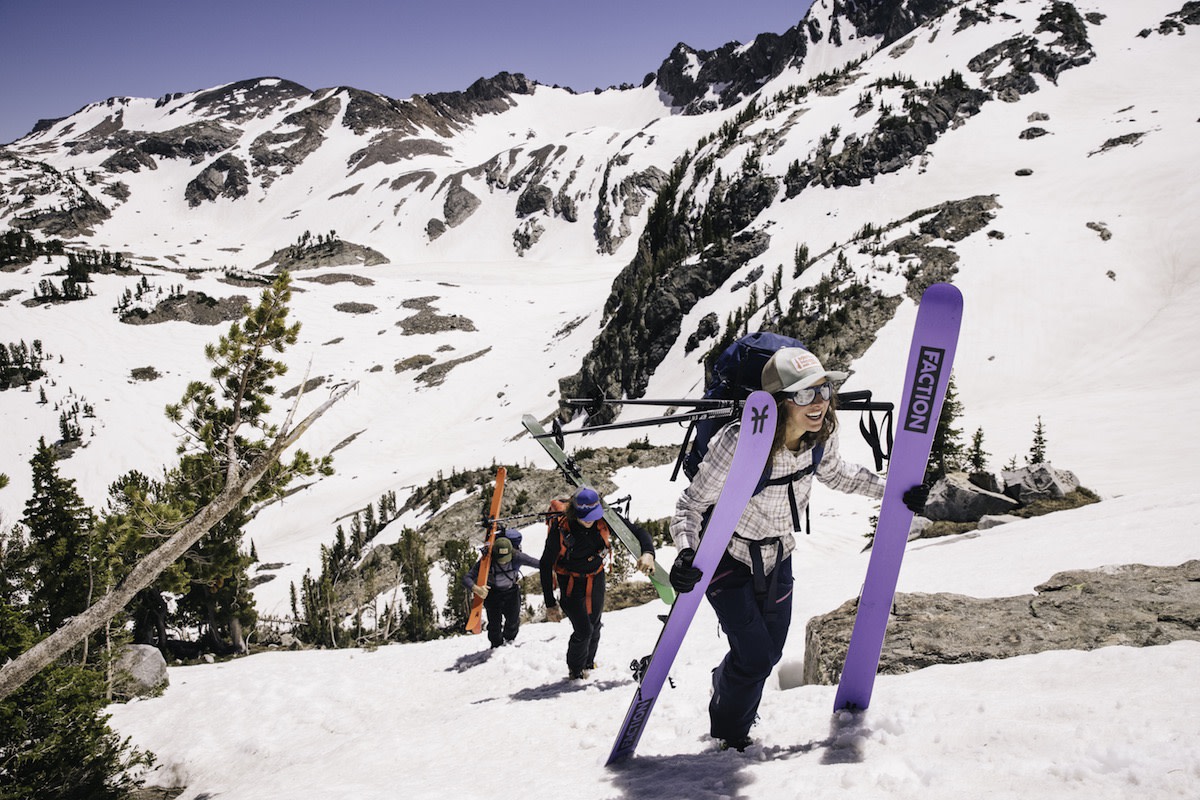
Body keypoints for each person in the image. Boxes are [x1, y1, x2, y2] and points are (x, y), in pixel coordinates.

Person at [668, 348, 928, 751]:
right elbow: (691, 505)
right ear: (778, 403)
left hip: (779, 556)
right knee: (755, 658)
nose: (820, 403)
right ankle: (728, 738)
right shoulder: (738, 442)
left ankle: (724, 683)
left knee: (767, 655)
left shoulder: (819, 438)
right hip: (726, 558)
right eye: (805, 395)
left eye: (823, 390)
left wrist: (895, 491)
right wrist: (686, 552)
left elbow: (840, 475)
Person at [541, 486, 656, 680]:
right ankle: (575, 671)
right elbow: (545, 565)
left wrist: (648, 553)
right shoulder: (561, 529)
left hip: (596, 577)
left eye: (591, 515)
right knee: (583, 630)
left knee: (594, 625)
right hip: (570, 581)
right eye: (583, 515)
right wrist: (550, 603)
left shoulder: (604, 520)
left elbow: (638, 531)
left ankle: (588, 664)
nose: (588, 520)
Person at [462, 533, 540, 649]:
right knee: (494, 625)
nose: (503, 562)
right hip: (493, 594)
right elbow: (467, 578)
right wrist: (476, 589)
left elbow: (538, 564)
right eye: (500, 559)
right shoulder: (486, 560)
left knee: (513, 620)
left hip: (511, 592)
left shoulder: (517, 556)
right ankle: (496, 646)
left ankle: (509, 641)